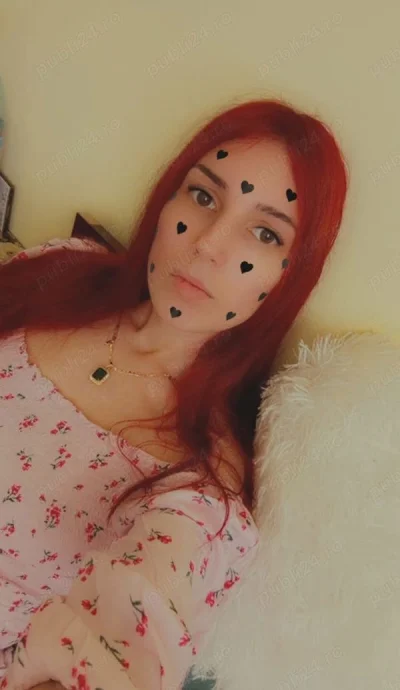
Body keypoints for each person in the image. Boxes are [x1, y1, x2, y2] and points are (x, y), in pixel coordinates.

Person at [0, 98, 348, 690]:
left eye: (265, 233)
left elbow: (129, 637)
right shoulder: (63, 270)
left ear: (289, 278)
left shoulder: (197, 492)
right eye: (204, 196)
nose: (208, 244)